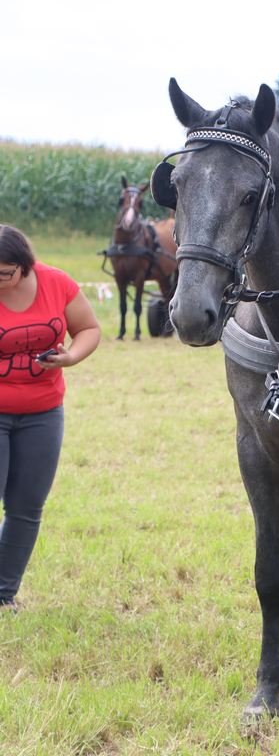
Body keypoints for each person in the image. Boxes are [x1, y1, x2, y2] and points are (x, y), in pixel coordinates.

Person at [0, 225, 100, 611]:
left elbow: (89, 328)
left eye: (5, 273)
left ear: (26, 267)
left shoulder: (56, 283)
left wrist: (71, 357)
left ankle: (4, 595)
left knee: (26, 508)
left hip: (43, 413)